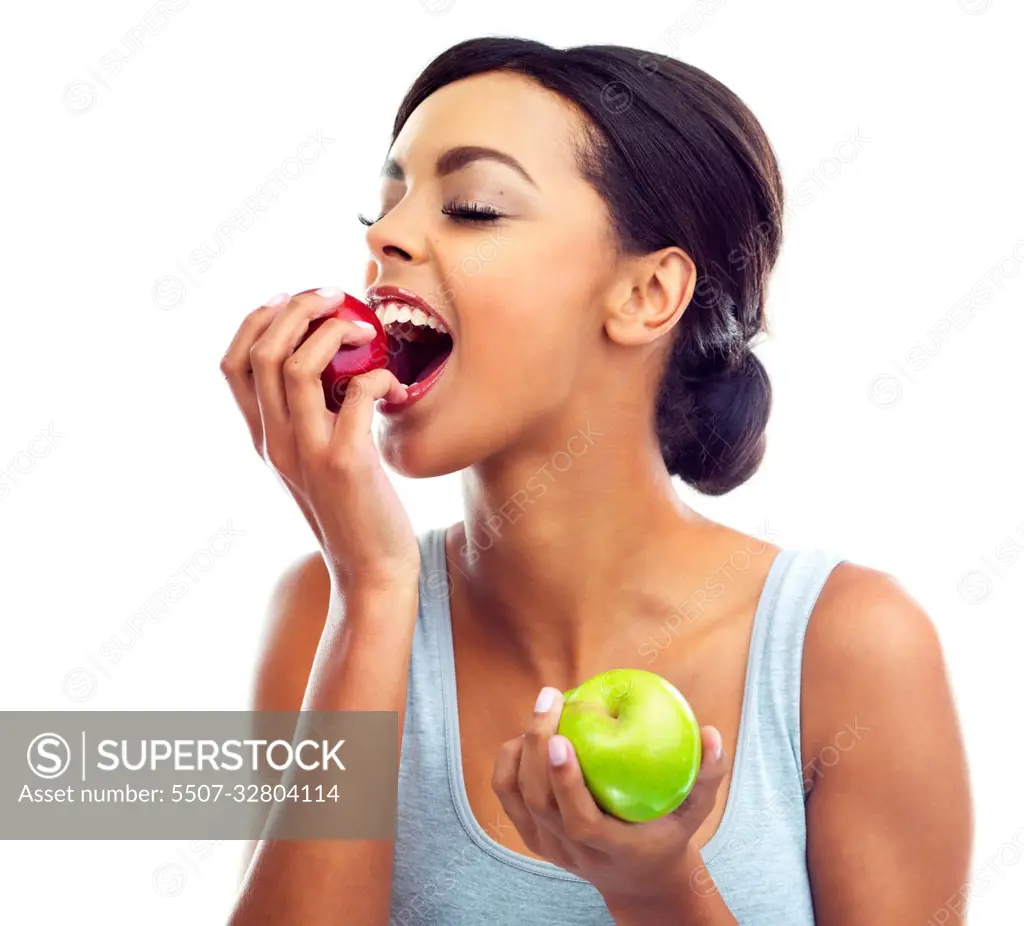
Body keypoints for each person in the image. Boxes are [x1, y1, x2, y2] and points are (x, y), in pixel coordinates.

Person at [221, 36, 971, 926]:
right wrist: (376, 591)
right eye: (382, 208)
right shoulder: (327, 612)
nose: (385, 237)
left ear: (647, 294)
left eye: (473, 207)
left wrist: (658, 890)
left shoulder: (852, 646)